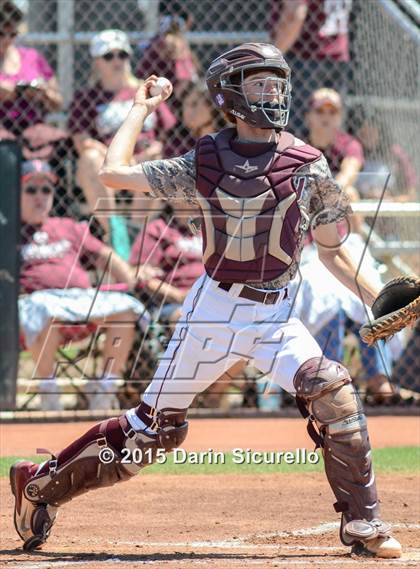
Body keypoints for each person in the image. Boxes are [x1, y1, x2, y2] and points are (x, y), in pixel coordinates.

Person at [11, 44, 401, 558]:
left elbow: (334, 252)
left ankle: (363, 524)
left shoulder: (309, 164)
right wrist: (142, 108)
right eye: (259, 83)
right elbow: (113, 173)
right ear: (229, 93)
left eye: (278, 83)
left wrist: (378, 299)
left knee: (333, 390)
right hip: (212, 311)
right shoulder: (206, 160)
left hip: (274, 313)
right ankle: (38, 484)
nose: (274, 93)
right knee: (153, 433)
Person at [18, 160, 156, 411]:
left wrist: (128, 276)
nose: (40, 197)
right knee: (41, 310)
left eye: (46, 190)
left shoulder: (67, 226)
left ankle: (105, 388)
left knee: (126, 309)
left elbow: (103, 255)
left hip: (80, 300)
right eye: (31, 190)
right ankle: (49, 392)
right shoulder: (9, 232)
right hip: (39, 302)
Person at [68, 29, 176, 258]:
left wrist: (154, 149)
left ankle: (135, 236)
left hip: (145, 160)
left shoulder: (145, 90)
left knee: (156, 158)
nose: (117, 61)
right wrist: (117, 155)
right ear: (97, 62)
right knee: (89, 158)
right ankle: (117, 235)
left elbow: (170, 132)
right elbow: (81, 140)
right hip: (109, 164)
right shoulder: (87, 97)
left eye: (122, 55)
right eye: (109, 56)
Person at [270, 0, 352, 135]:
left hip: (306, 57)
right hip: (338, 54)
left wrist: (273, 57)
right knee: (332, 123)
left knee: (299, 125)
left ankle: (299, 155)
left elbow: (296, 14)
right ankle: (328, 155)